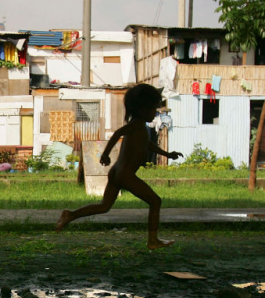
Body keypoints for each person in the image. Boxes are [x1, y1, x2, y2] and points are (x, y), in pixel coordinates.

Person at [54, 84, 182, 249]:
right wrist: (105, 153)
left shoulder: (140, 127)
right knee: (155, 201)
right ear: (142, 109)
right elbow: (117, 133)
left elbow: (148, 144)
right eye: (152, 109)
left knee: (104, 206)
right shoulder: (136, 124)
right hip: (125, 175)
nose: (154, 113)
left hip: (117, 172)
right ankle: (153, 240)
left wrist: (167, 154)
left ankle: (70, 214)